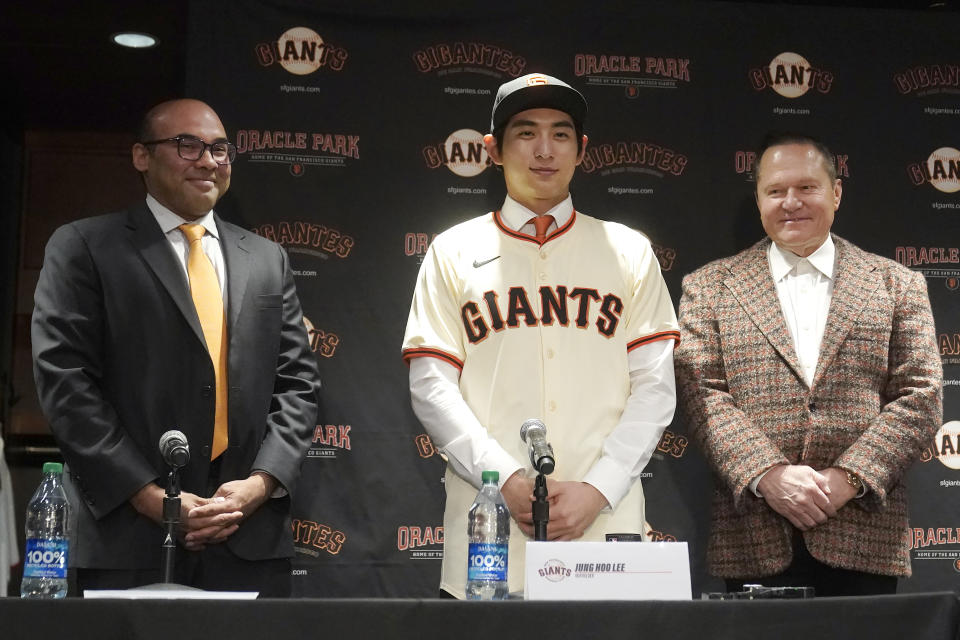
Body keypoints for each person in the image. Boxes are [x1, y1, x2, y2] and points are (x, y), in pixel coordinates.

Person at [402, 73, 680, 598]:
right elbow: (432, 386)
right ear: (494, 150)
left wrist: (600, 487)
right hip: (489, 536)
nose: (545, 149)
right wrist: (501, 479)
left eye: (561, 134)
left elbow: (655, 387)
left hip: (605, 530)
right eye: (526, 133)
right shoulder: (451, 251)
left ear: (582, 151)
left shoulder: (629, 251)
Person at [31, 99, 321, 596]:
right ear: (142, 156)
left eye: (220, 149)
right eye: (188, 145)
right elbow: (67, 384)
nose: (208, 160)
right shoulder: (84, 246)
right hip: (126, 535)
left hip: (247, 537)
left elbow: (297, 384)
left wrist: (259, 486)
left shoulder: (267, 259)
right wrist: (150, 498)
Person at [674, 132, 942, 596]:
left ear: (835, 192)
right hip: (755, 535)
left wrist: (849, 478)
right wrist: (769, 476)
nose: (790, 202)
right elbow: (701, 393)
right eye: (775, 191)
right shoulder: (709, 287)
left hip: (863, 533)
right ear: (758, 199)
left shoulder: (897, 285)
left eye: (807, 188)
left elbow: (921, 393)